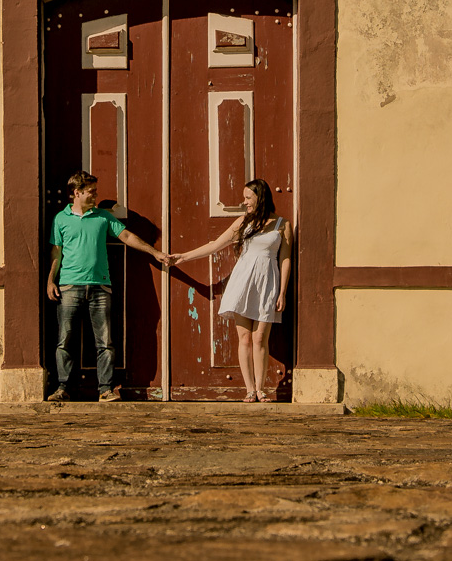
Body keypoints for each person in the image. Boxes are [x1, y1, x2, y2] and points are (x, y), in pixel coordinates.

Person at [46, 170, 169, 402]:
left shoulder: (103, 217)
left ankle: (105, 389)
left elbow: (127, 237)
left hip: (100, 287)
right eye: (91, 191)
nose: (95, 195)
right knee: (65, 340)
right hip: (69, 286)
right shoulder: (61, 219)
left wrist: (155, 252)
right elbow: (56, 251)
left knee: (105, 342)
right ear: (77, 193)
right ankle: (63, 388)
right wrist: (50, 280)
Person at [171, 178, 293, 402]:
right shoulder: (243, 223)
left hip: (267, 284)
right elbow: (215, 245)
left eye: (248, 198)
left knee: (260, 339)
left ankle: (261, 388)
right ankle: (250, 389)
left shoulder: (282, 225)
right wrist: (183, 256)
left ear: (260, 197)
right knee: (245, 338)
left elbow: (285, 259)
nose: (244, 202)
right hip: (243, 283)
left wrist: (282, 292)